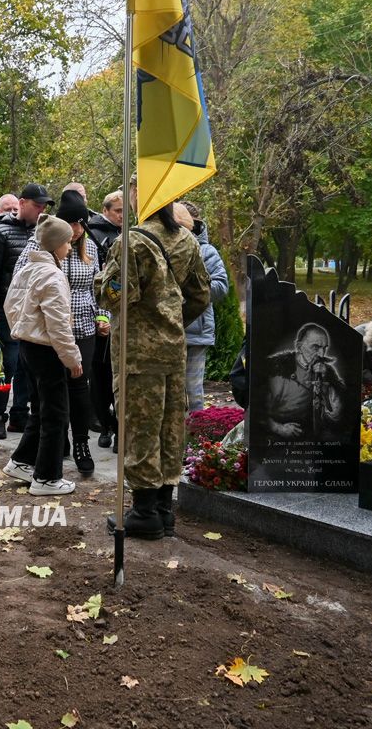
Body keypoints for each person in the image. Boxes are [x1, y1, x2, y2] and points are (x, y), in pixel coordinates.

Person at [98, 194, 210, 540]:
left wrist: (102, 283)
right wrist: (171, 321)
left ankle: (144, 512)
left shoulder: (130, 241)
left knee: (139, 426)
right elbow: (202, 294)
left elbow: (116, 296)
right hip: (173, 349)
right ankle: (164, 508)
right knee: (170, 425)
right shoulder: (187, 239)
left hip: (137, 353)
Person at [14, 186, 104, 475]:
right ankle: (48, 456)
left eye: (81, 224)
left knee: (79, 391)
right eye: (72, 224)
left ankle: (81, 444)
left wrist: (102, 316)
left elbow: (98, 288)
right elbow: (20, 287)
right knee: (49, 400)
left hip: (83, 328)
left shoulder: (90, 247)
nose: (77, 230)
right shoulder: (41, 246)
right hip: (51, 333)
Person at [1, 215, 84, 496]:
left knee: (40, 409)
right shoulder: (52, 275)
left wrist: (21, 330)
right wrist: (72, 359)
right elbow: (58, 323)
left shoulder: (28, 269)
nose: (71, 248)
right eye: (68, 243)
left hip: (28, 347)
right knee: (56, 414)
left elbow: (9, 305)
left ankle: (22, 461)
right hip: (47, 351)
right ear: (56, 244)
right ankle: (47, 478)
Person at [0, 183, 51, 439]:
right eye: (37, 205)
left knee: (27, 365)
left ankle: (20, 414)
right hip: (3, 309)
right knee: (7, 363)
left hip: (32, 310)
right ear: (22, 203)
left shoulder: (43, 233)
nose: (41, 210)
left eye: (45, 206)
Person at [175, 201, 229, 413]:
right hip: (166, 331)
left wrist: (191, 287)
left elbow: (220, 287)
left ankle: (195, 442)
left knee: (193, 392)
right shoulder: (163, 247)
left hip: (195, 333)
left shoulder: (207, 252)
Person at [86, 187, 126, 449]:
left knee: (119, 374)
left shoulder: (130, 235)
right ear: (106, 211)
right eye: (118, 211)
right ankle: (104, 424)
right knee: (100, 375)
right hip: (100, 312)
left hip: (122, 314)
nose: (123, 215)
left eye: (126, 211)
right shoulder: (93, 234)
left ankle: (121, 425)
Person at [263, 323, 345, 438]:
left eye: (324, 348)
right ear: (299, 346)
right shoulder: (277, 371)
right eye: (315, 347)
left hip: (314, 437)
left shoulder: (327, 371)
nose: (321, 354)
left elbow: (338, 413)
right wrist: (279, 428)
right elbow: (258, 410)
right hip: (280, 439)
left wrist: (326, 381)